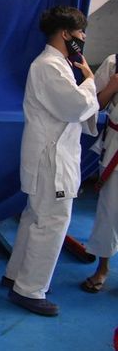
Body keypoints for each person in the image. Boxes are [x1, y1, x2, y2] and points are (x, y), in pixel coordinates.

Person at [2, 6, 98, 316]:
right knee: (51, 222)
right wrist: (90, 80)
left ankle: (17, 275)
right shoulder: (48, 66)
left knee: (35, 217)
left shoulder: (55, 64)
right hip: (51, 159)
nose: (83, 38)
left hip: (49, 154)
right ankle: (29, 290)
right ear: (66, 34)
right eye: (80, 32)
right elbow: (75, 107)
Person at [80, 53, 118, 293]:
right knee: (109, 211)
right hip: (116, 147)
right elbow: (95, 103)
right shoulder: (114, 62)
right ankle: (102, 268)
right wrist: (113, 86)